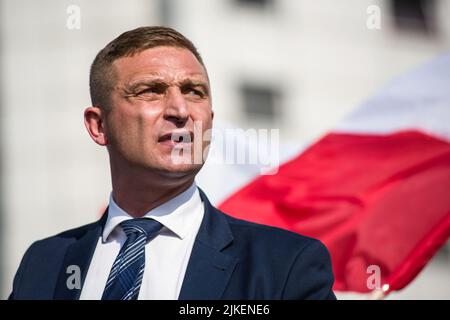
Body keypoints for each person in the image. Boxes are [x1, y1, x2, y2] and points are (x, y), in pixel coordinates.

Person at [9, 26, 336, 300]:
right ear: (99, 126)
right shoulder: (43, 263)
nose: (180, 111)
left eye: (194, 92)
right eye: (151, 91)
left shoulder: (285, 265)